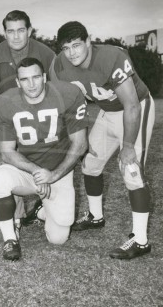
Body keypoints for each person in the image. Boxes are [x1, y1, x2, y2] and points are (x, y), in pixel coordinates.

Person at [51, 21, 155, 260]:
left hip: (136, 108)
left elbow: (131, 106)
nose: (72, 52)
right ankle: (95, 216)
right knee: (90, 164)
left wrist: (128, 147)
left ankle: (140, 240)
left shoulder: (110, 57)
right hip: (107, 111)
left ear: (89, 41)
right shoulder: (59, 64)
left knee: (131, 170)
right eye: (66, 48)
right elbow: (66, 103)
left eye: (77, 45)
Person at [0, 57, 88, 260]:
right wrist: (35, 172)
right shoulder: (5, 103)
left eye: (36, 77)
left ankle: (42, 211)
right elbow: (7, 152)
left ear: (44, 77)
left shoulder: (67, 94)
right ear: (17, 82)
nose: (31, 84)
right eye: (25, 79)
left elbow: (80, 144)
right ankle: (10, 239)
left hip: (58, 169)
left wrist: (53, 175)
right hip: (26, 170)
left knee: (58, 238)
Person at [0, 10, 56, 231]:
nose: (15, 36)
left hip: (42, 116)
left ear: (30, 31)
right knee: (11, 161)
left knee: (46, 159)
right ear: (4, 32)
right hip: (10, 118)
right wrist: (1, 122)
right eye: (10, 31)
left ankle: (45, 206)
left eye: (21, 30)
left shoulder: (46, 53)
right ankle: (16, 217)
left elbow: (56, 90)